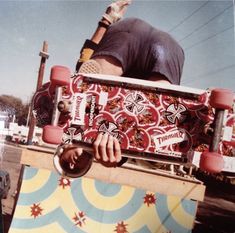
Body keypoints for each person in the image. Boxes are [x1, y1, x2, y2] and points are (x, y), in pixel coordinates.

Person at [62, 0, 185, 169]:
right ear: (88, 164)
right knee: (151, 119)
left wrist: (107, 19)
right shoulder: (105, 152)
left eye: (65, 164)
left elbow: (88, 53)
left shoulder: (64, 120)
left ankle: (97, 80)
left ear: (61, 151)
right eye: (77, 170)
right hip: (165, 47)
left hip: (128, 36)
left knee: (85, 81)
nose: (73, 165)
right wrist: (113, 161)